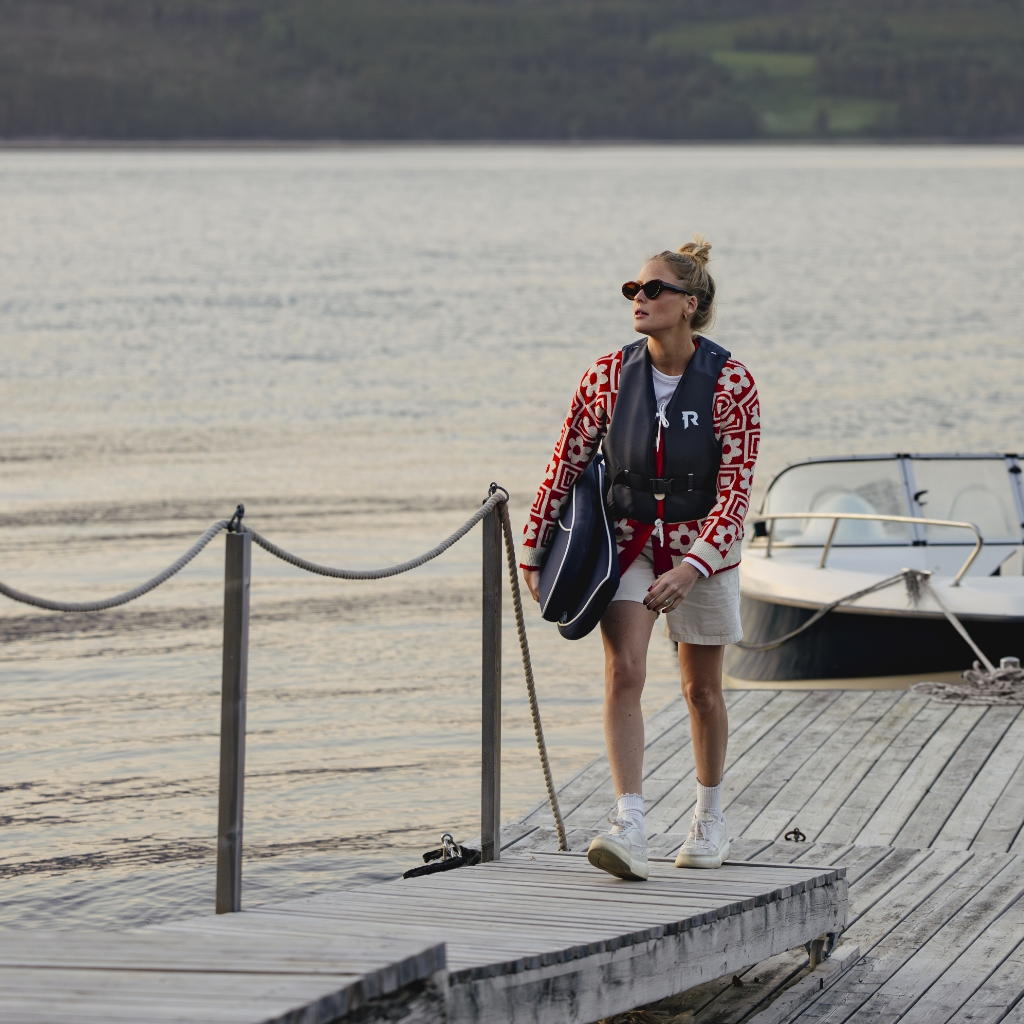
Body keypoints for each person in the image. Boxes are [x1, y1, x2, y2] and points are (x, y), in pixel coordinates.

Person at [520, 237, 759, 881]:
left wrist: (693, 567)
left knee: (700, 691)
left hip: (703, 549)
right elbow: (565, 463)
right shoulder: (605, 375)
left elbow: (736, 492)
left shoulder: (732, 382)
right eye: (633, 289)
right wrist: (533, 549)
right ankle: (629, 821)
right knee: (623, 671)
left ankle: (709, 817)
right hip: (628, 543)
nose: (638, 299)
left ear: (689, 304)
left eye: (653, 290)